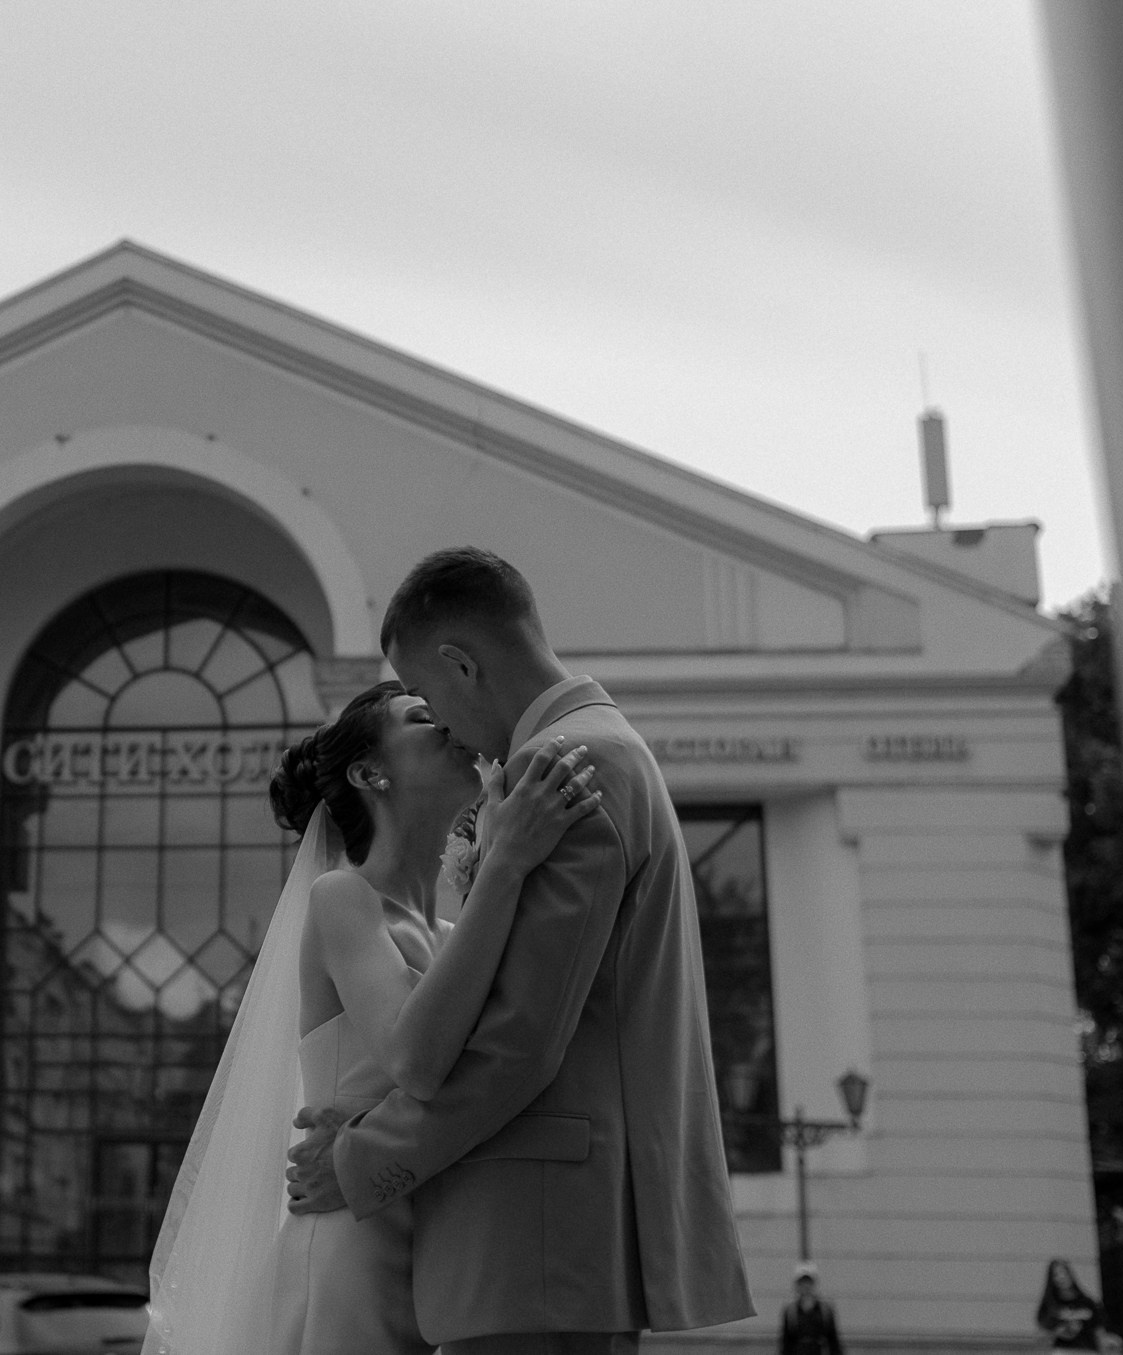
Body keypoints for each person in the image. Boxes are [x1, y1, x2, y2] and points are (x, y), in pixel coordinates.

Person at [287, 546, 755, 1354]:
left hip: (530, 1233)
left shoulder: (564, 765)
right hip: (524, 1237)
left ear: (461, 665)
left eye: (431, 699)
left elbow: (518, 1041)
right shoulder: (591, 755)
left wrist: (362, 1158)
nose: (451, 731)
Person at [143, 680, 604, 1355]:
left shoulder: (456, 929)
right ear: (370, 772)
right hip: (351, 1243)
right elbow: (409, 1057)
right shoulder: (343, 899)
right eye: (423, 716)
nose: (448, 724)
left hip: (442, 1239)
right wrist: (506, 863)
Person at [1036, 1258, 1103, 1349]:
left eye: (1064, 1272)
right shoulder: (1049, 1305)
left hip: (1087, 1350)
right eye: (1056, 1275)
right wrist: (1060, 1331)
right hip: (1062, 1350)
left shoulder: (1087, 1303)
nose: (1061, 1277)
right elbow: (1041, 1333)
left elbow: (1098, 1329)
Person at [779, 1266, 842, 1355]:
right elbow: (786, 1343)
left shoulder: (825, 1310)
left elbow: (833, 1341)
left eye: (809, 1282)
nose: (806, 1286)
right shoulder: (790, 1311)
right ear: (797, 1285)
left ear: (814, 1284)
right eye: (802, 1283)